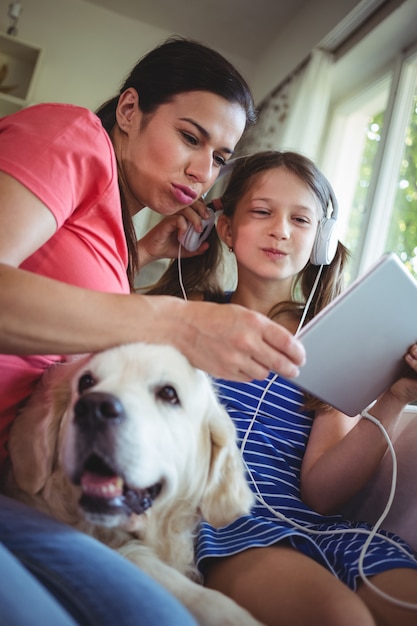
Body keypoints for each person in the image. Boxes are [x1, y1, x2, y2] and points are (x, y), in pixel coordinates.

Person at [0, 38, 308, 625]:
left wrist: (136, 255)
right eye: (191, 137)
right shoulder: (71, 134)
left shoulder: (120, 233)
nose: (203, 172)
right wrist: (175, 318)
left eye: (220, 157)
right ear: (128, 110)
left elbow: (55, 292)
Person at [147, 150, 417, 626]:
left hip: (320, 527)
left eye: (300, 219)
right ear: (225, 228)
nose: (281, 230)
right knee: (341, 618)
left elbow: (322, 493)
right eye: (262, 212)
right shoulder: (181, 314)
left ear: (321, 242)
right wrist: (146, 250)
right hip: (228, 523)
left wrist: (394, 396)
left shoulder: (333, 340)